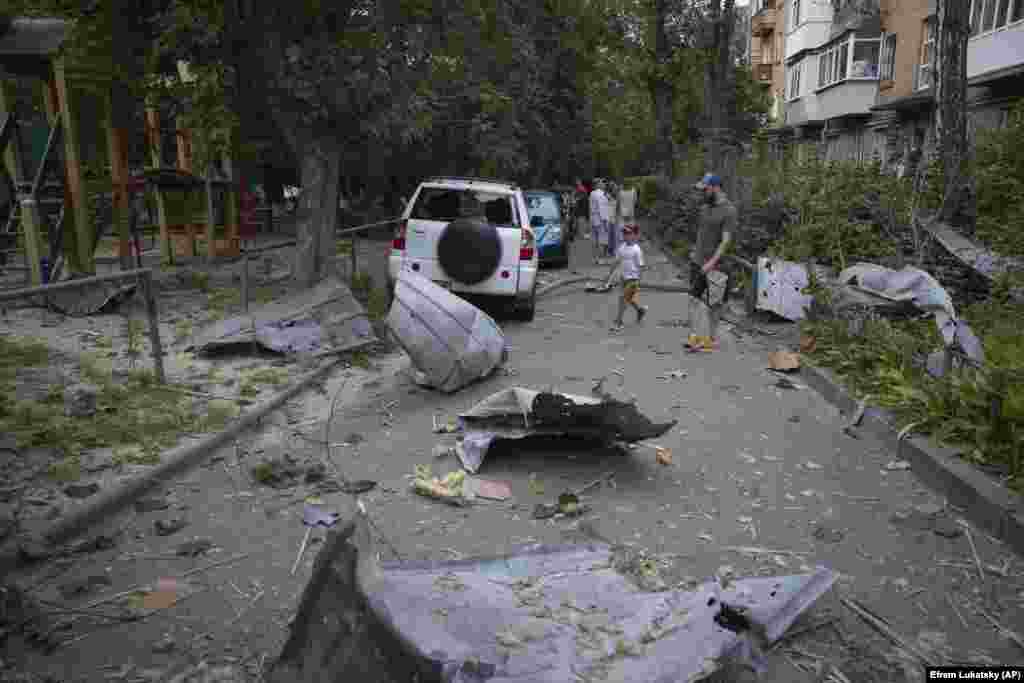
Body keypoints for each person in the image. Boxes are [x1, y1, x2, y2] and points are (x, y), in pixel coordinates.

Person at [688, 173, 738, 343]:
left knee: (715, 304)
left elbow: (725, 242)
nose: (703, 193)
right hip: (698, 261)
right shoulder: (705, 208)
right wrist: (696, 251)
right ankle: (694, 336)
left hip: (717, 265)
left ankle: (711, 338)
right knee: (693, 299)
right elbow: (703, 233)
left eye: (706, 189)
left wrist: (712, 262)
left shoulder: (729, 211)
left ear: (715, 188)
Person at [603, 224, 648, 332]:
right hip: (623, 278)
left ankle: (618, 322)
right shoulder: (622, 248)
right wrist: (609, 275)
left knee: (623, 299)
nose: (626, 236)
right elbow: (616, 262)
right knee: (628, 299)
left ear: (635, 235)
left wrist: (639, 282)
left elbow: (641, 266)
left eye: (629, 233)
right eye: (624, 233)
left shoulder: (637, 250)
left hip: (633, 280)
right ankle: (640, 310)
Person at [589, 179, 611, 265]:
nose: (604, 184)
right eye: (602, 183)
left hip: (593, 219)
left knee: (595, 240)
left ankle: (596, 258)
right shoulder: (601, 194)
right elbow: (602, 209)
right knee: (602, 240)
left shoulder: (592, 193)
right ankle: (601, 259)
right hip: (601, 219)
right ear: (598, 184)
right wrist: (605, 221)